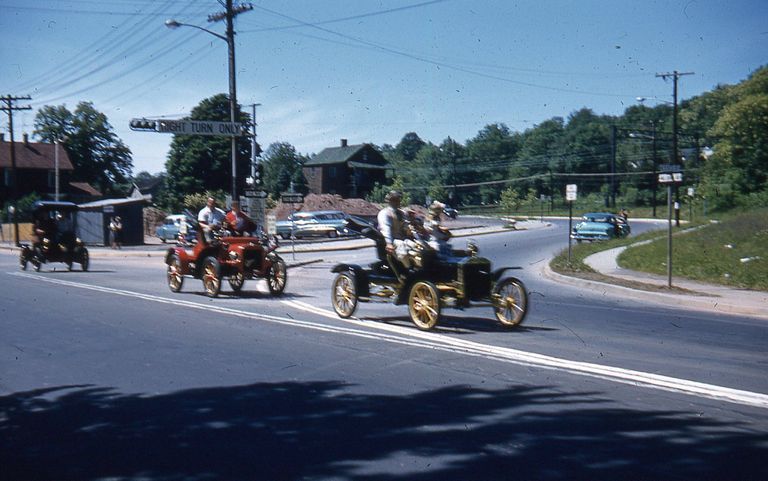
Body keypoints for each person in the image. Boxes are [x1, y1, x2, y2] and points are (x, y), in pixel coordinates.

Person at [377, 190, 413, 267]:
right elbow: (386, 229)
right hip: (393, 240)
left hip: (404, 238)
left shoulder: (402, 213)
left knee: (417, 248)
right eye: (395, 200)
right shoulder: (384, 213)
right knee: (402, 251)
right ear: (389, 201)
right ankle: (409, 269)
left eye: (398, 199)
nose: (397, 202)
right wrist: (389, 243)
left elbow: (407, 225)